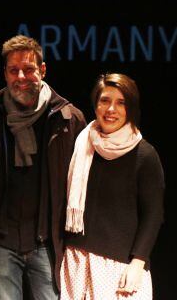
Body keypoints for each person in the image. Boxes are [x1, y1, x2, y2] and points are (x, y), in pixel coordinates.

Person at [0, 35, 86, 300]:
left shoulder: (68, 118)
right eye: (14, 70)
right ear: (5, 74)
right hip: (2, 241)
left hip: (46, 243)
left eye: (29, 69)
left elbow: (86, 181)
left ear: (43, 70)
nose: (21, 77)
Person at [60, 73, 164, 300]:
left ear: (131, 108)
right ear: (96, 104)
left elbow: (153, 215)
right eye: (105, 100)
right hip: (77, 259)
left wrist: (138, 262)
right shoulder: (82, 143)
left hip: (120, 266)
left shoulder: (145, 154)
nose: (111, 109)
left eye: (121, 102)